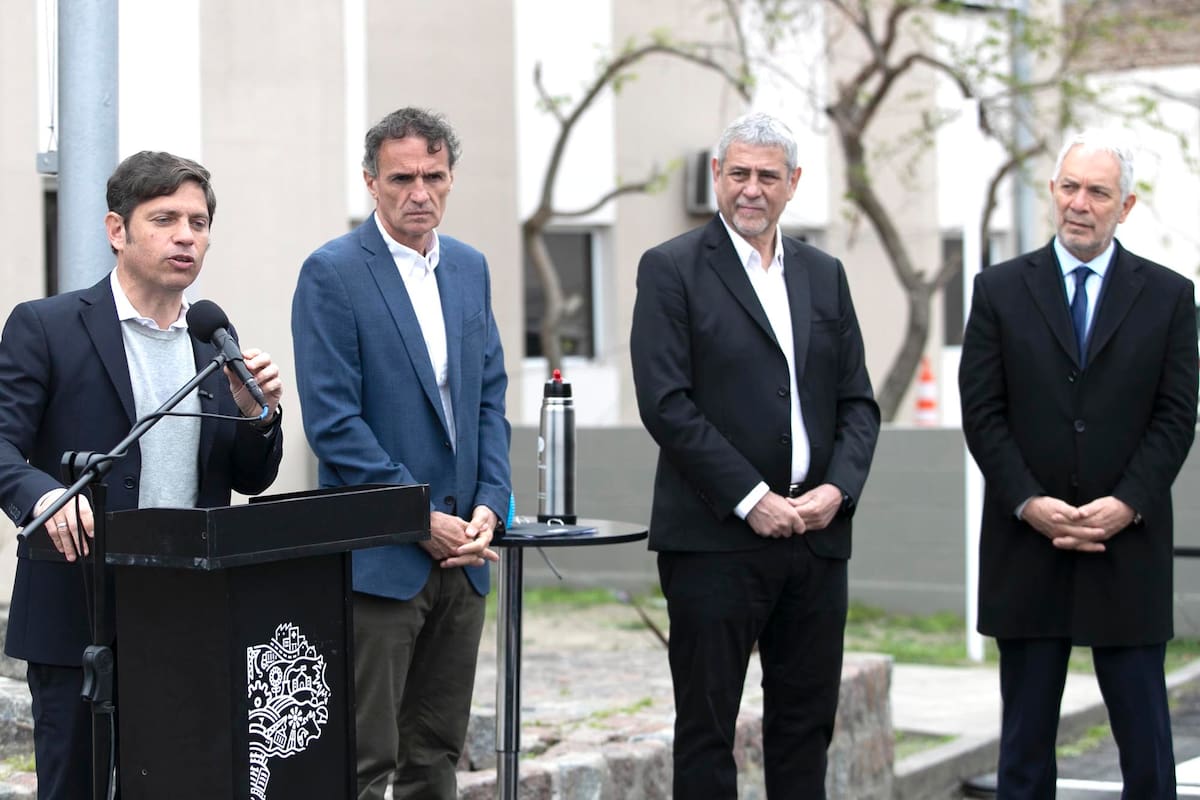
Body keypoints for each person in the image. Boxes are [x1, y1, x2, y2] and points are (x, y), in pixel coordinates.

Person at [0, 150, 284, 799]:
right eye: (165, 218)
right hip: (78, 614)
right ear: (116, 230)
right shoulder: (45, 328)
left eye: (199, 221)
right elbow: (3, 448)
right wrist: (45, 496)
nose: (187, 235)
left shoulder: (215, 346)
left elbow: (251, 478)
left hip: (187, 613)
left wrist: (258, 418)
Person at [629, 112, 880, 799]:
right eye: (737, 172)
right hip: (716, 541)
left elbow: (859, 403)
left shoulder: (824, 275)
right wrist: (752, 498)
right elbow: (666, 403)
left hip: (817, 541)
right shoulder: (671, 269)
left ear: (793, 183)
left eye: (768, 175)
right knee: (707, 733)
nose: (750, 188)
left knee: (805, 729)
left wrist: (838, 491)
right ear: (716, 175)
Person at [959, 129, 1197, 799]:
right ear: (1053, 191)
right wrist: (1029, 502)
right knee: (1025, 755)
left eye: (1098, 191)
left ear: (1126, 207)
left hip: (1128, 546)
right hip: (1026, 546)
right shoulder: (999, 289)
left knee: (1147, 753)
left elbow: (1176, 415)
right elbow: (983, 413)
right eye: (1069, 186)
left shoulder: (1170, 297)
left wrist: (1128, 502)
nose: (1079, 203)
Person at [291, 107, 510, 800]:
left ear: (450, 179)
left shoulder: (470, 268)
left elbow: (489, 400)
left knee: (435, 757)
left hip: (466, 560)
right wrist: (419, 517)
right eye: (402, 177)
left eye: (434, 176)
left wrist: (489, 506)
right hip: (382, 557)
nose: (420, 192)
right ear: (370, 182)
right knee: (364, 761)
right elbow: (334, 425)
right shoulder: (331, 273)